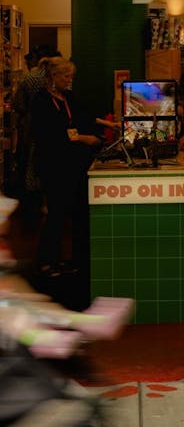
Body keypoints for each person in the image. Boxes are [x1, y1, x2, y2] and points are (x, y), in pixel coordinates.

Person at [30, 56, 102, 283]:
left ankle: (65, 260)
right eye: (66, 76)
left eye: (71, 76)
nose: (70, 80)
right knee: (56, 215)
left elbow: (84, 116)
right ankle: (45, 262)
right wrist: (83, 138)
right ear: (53, 77)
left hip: (73, 165)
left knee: (74, 213)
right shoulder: (41, 101)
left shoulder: (67, 97)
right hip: (54, 166)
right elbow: (49, 134)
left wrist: (107, 125)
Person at [11, 44, 59, 219]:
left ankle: (34, 197)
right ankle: (50, 198)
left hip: (33, 125)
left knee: (33, 158)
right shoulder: (55, 79)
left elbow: (19, 105)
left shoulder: (29, 78)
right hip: (55, 127)